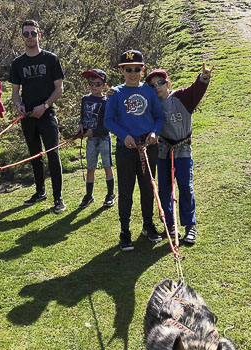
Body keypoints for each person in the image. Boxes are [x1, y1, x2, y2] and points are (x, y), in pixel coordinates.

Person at [104, 50, 165, 251]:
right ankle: (125, 231)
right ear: (121, 70)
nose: (133, 73)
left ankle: (148, 225)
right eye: (128, 69)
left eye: (137, 69)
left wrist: (155, 133)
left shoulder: (149, 91)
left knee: (148, 188)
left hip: (148, 147)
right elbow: (108, 120)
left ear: (142, 69)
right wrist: (124, 135)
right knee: (126, 191)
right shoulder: (117, 93)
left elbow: (159, 117)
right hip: (126, 149)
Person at [145, 64, 213, 244]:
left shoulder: (182, 97)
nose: (157, 87)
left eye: (160, 82)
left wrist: (203, 78)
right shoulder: (150, 106)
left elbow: (195, 90)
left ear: (168, 83)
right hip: (163, 151)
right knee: (165, 189)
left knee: (185, 187)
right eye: (153, 85)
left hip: (182, 150)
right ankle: (169, 223)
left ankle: (190, 226)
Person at [10, 20, 66, 214]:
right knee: (35, 154)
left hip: (47, 112)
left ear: (39, 36)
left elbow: (59, 88)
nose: (30, 37)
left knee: (53, 154)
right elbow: (15, 92)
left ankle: (58, 198)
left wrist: (45, 106)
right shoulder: (18, 63)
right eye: (26, 34)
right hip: (27, 115)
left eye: (33, 33)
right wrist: (18, 105)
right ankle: (40, 191)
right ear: (22, 37)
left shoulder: (51, 59)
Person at [78, 68, 116, 208]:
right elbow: (83, 117)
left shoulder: (107, 102)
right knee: (90, 167)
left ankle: (110, 194)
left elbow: (108, 125)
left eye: (97, 84)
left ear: (104, 85)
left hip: (104, 138)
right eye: (91, 83)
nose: (93, 87)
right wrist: (81, 126)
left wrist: (94, 132)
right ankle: (88, 195)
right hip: (90, 140)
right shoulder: (85, 99)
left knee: (107, 165)